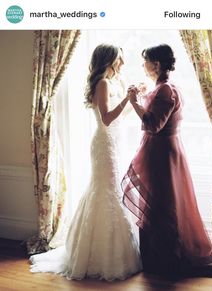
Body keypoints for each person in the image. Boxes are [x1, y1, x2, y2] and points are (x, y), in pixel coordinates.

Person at [30, 44, 142, 281]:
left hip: (114, 143)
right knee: (105, 190)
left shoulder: (114, 83)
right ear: (109, 61)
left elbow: (121, 116)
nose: (122, 64)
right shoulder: (102, 83)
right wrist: (127, 100)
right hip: (103, 145)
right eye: (119, 59)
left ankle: (114, 252)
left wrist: (133, 100)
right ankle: (97, 255)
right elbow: (107, 118)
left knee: (112, 190)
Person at [121, 44, 212, 279]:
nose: (142, 65)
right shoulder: (164, 88)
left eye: (145, 60)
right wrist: (144, 94)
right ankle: (159, 260)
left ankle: (166, 262)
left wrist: (134, 102)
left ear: (156, 64)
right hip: (163, 151)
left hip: (162, 154)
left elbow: (154, 125)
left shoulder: (165, 90)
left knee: (163, 206)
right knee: (162, 204)